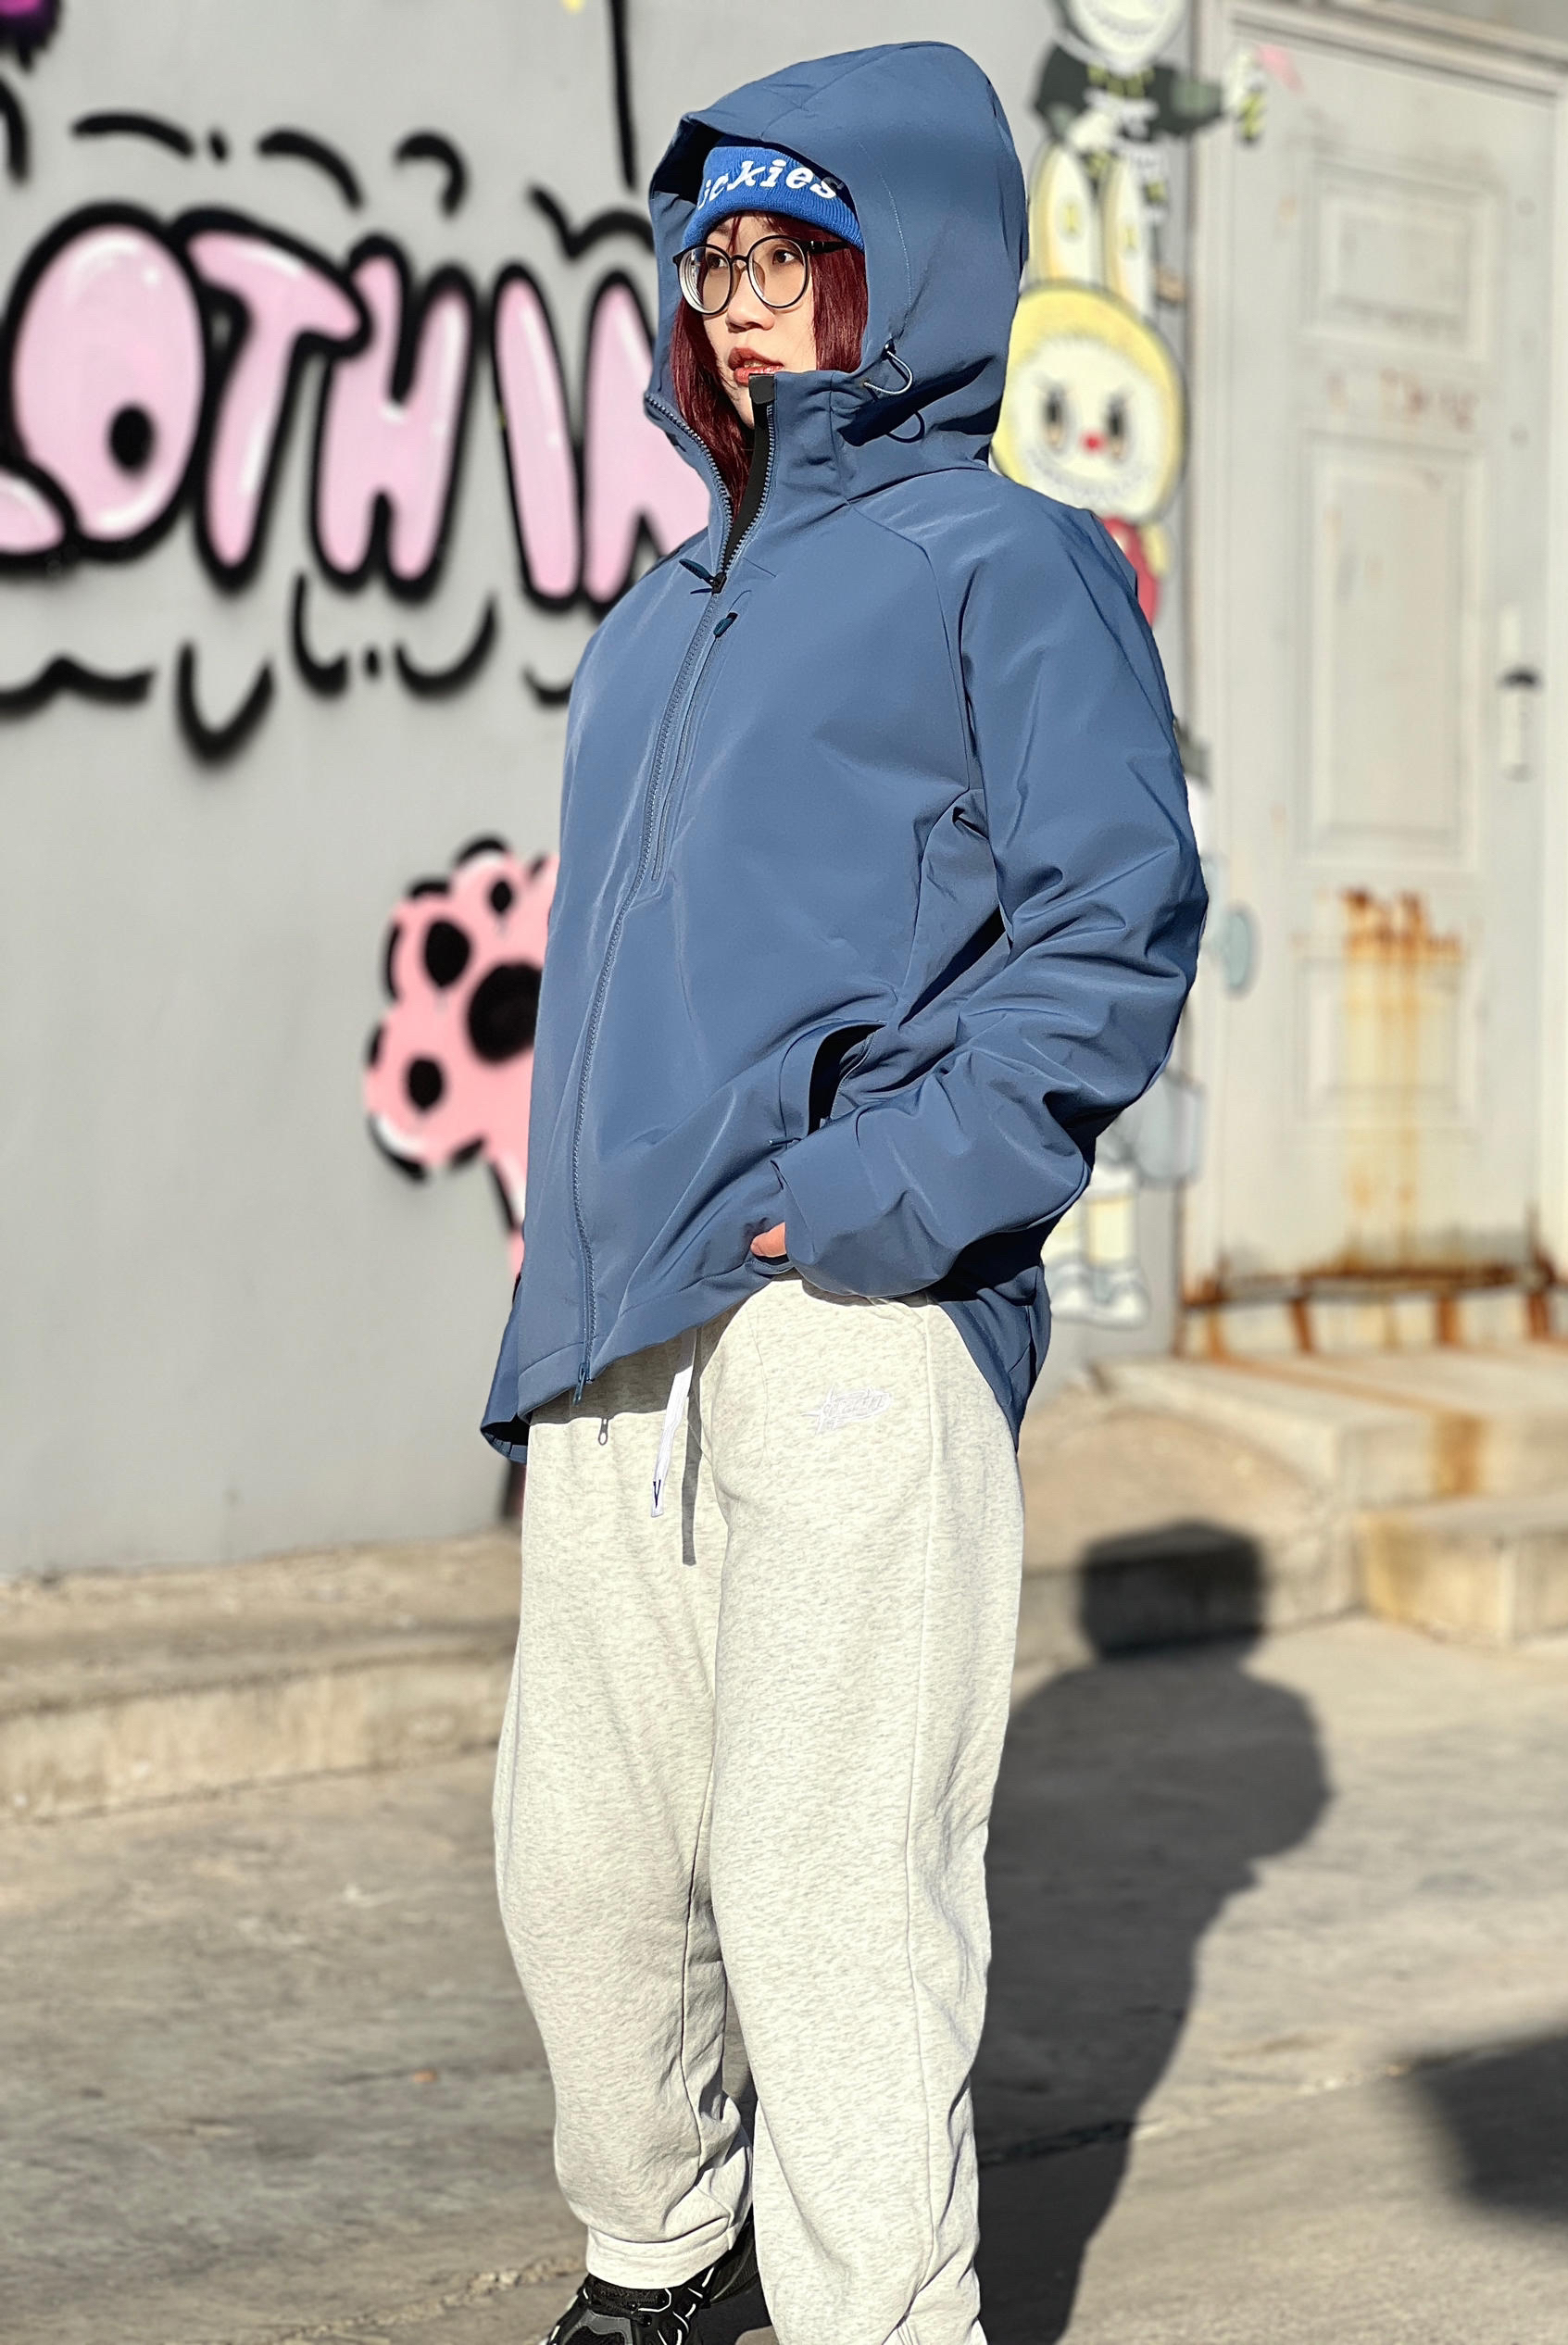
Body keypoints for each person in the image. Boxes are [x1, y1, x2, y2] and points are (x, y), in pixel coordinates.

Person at [483, 41, 1205, 2345]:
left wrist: (885, 1195)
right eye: (709, 257)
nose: (737, 296)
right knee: (584, 1879)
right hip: (617, 1336)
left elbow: (1116, 923)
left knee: (828, 1889)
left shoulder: (1008, 561)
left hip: (848, 1323)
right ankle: (660, 2259)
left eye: (789, 249)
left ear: (909, 261)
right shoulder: (656, 617)